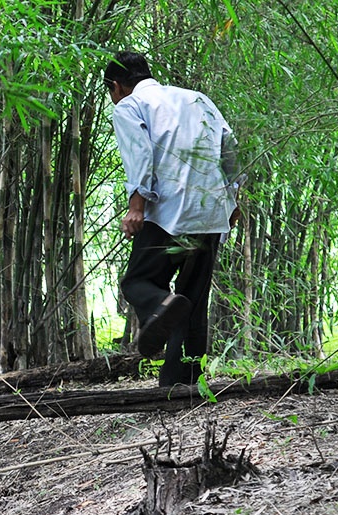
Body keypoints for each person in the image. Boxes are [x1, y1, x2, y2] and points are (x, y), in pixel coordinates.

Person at [103, 51, 242, 387]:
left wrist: (136, 206)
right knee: (192, 303)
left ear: (116, 86)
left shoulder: (130, 106)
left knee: (137, 283)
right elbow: (229, 147)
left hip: (167, 213)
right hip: (210, 212)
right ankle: (182, 386)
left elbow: (140, 154)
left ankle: (161, 304)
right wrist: (233, 200)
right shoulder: (197, 99)